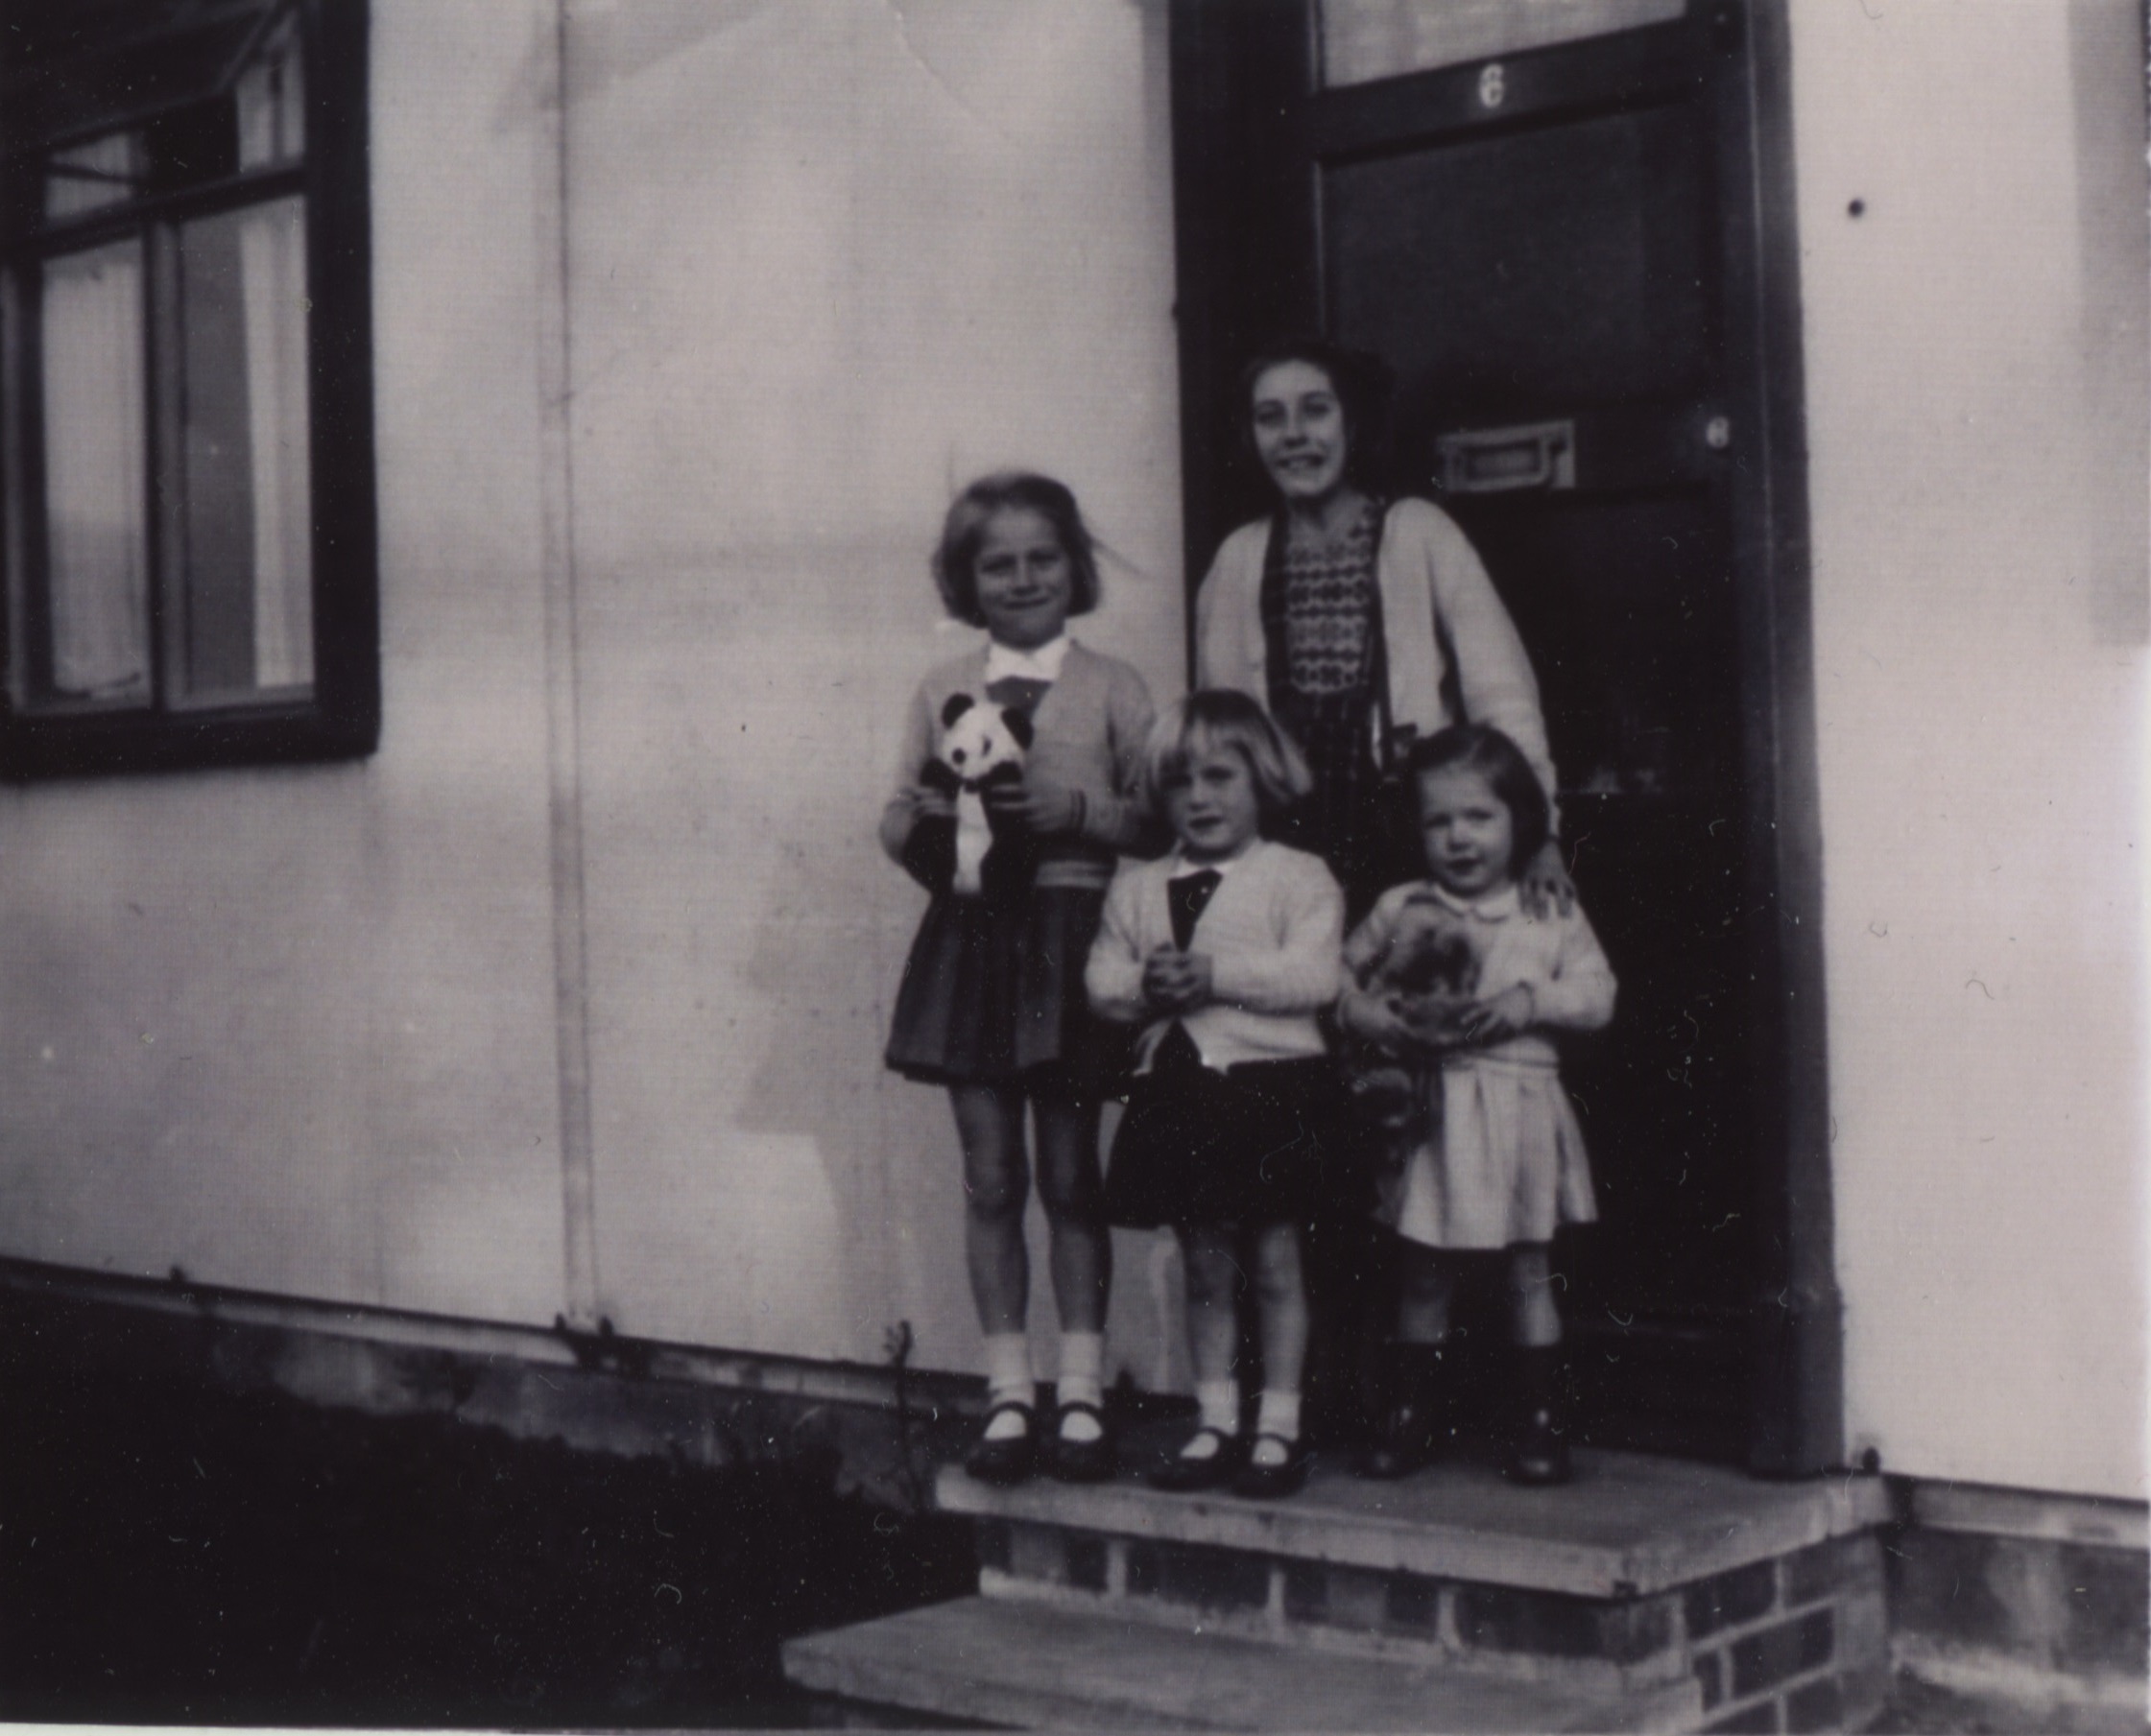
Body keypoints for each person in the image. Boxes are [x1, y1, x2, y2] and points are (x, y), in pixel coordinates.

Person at [881, 472, 1157, 1486]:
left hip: (1073, 940)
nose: (1024, 576)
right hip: (976, 940)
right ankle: (1010, 1394)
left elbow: (1161, 820)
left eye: (1043, 557)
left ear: (1074, 567)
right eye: (999, 562)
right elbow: (899, 807)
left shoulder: (1116, 685)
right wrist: (937, 838)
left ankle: (1080, 1394)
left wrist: (1076, 812)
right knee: (991, 1174)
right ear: (967, 579)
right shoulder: (942, 687)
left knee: (1071, 1174)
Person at [1193, 337, 1568, 920]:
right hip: (1281, 845)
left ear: (1354, 422)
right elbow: (1218, 732)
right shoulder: (1238, 559)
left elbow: (1503, 698)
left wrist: (1537, 833)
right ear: (1251, 437)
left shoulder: (1419, 534)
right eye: (1271, 418)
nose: (1293, 434)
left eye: (1316, 409)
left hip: (1408, 835)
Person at [1087, 691, 1349, 1500]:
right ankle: (1214, 1419)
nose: (1198, 798)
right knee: (1203, 1262)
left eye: (1219, 776)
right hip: (1181, 1092)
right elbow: (1101, 979)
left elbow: (1315, 976)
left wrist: (1217, 976)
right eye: (1178, 782)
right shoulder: (1137, 888)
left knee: (1273, 1260)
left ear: (1262, 779)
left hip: (1269, 1092)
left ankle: (1277, 1425)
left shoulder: (1296, 876)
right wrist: (1144, 985)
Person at [1339, 725, 1616, 1486]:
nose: (1459, 838)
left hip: (1519, 1106)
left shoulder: (1544, 905)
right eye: (1438, 821)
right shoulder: (1402, 906)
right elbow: (1335, 975)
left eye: (1478, 817)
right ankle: (1409, 1413)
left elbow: (1598, 995)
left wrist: (1532, 999)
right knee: (1423, 1267)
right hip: (1433, 1111)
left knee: (1528, 1267)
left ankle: (1538, 1421)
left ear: (1518, 820)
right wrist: (1366, 1015)